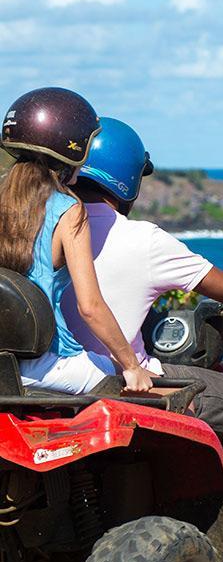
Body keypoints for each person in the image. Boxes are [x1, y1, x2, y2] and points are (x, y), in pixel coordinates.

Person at [62, 117, 223, 562]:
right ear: (128, 179)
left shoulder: (46, 226)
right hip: (115, 377)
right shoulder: (143, 240)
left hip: (46, 378)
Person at [0, 89, 152, 395]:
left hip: (5, 363)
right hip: (47, 361)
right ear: (73, 151)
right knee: (162, 395)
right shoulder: (68, 210)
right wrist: (132, 367)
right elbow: (90, 307)